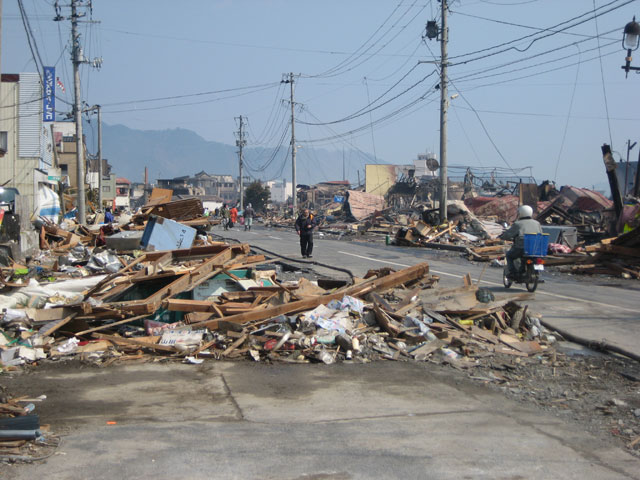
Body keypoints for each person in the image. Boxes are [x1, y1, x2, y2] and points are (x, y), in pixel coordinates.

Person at [500, 205, 542, 278]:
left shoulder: (518, 224)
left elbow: (508, 234)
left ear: (520, 213)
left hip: (521, 248)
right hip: (535, 249)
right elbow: (541, 234)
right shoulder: (537, 223)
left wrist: (502, 237)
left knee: (509, 256)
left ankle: (513, 273)